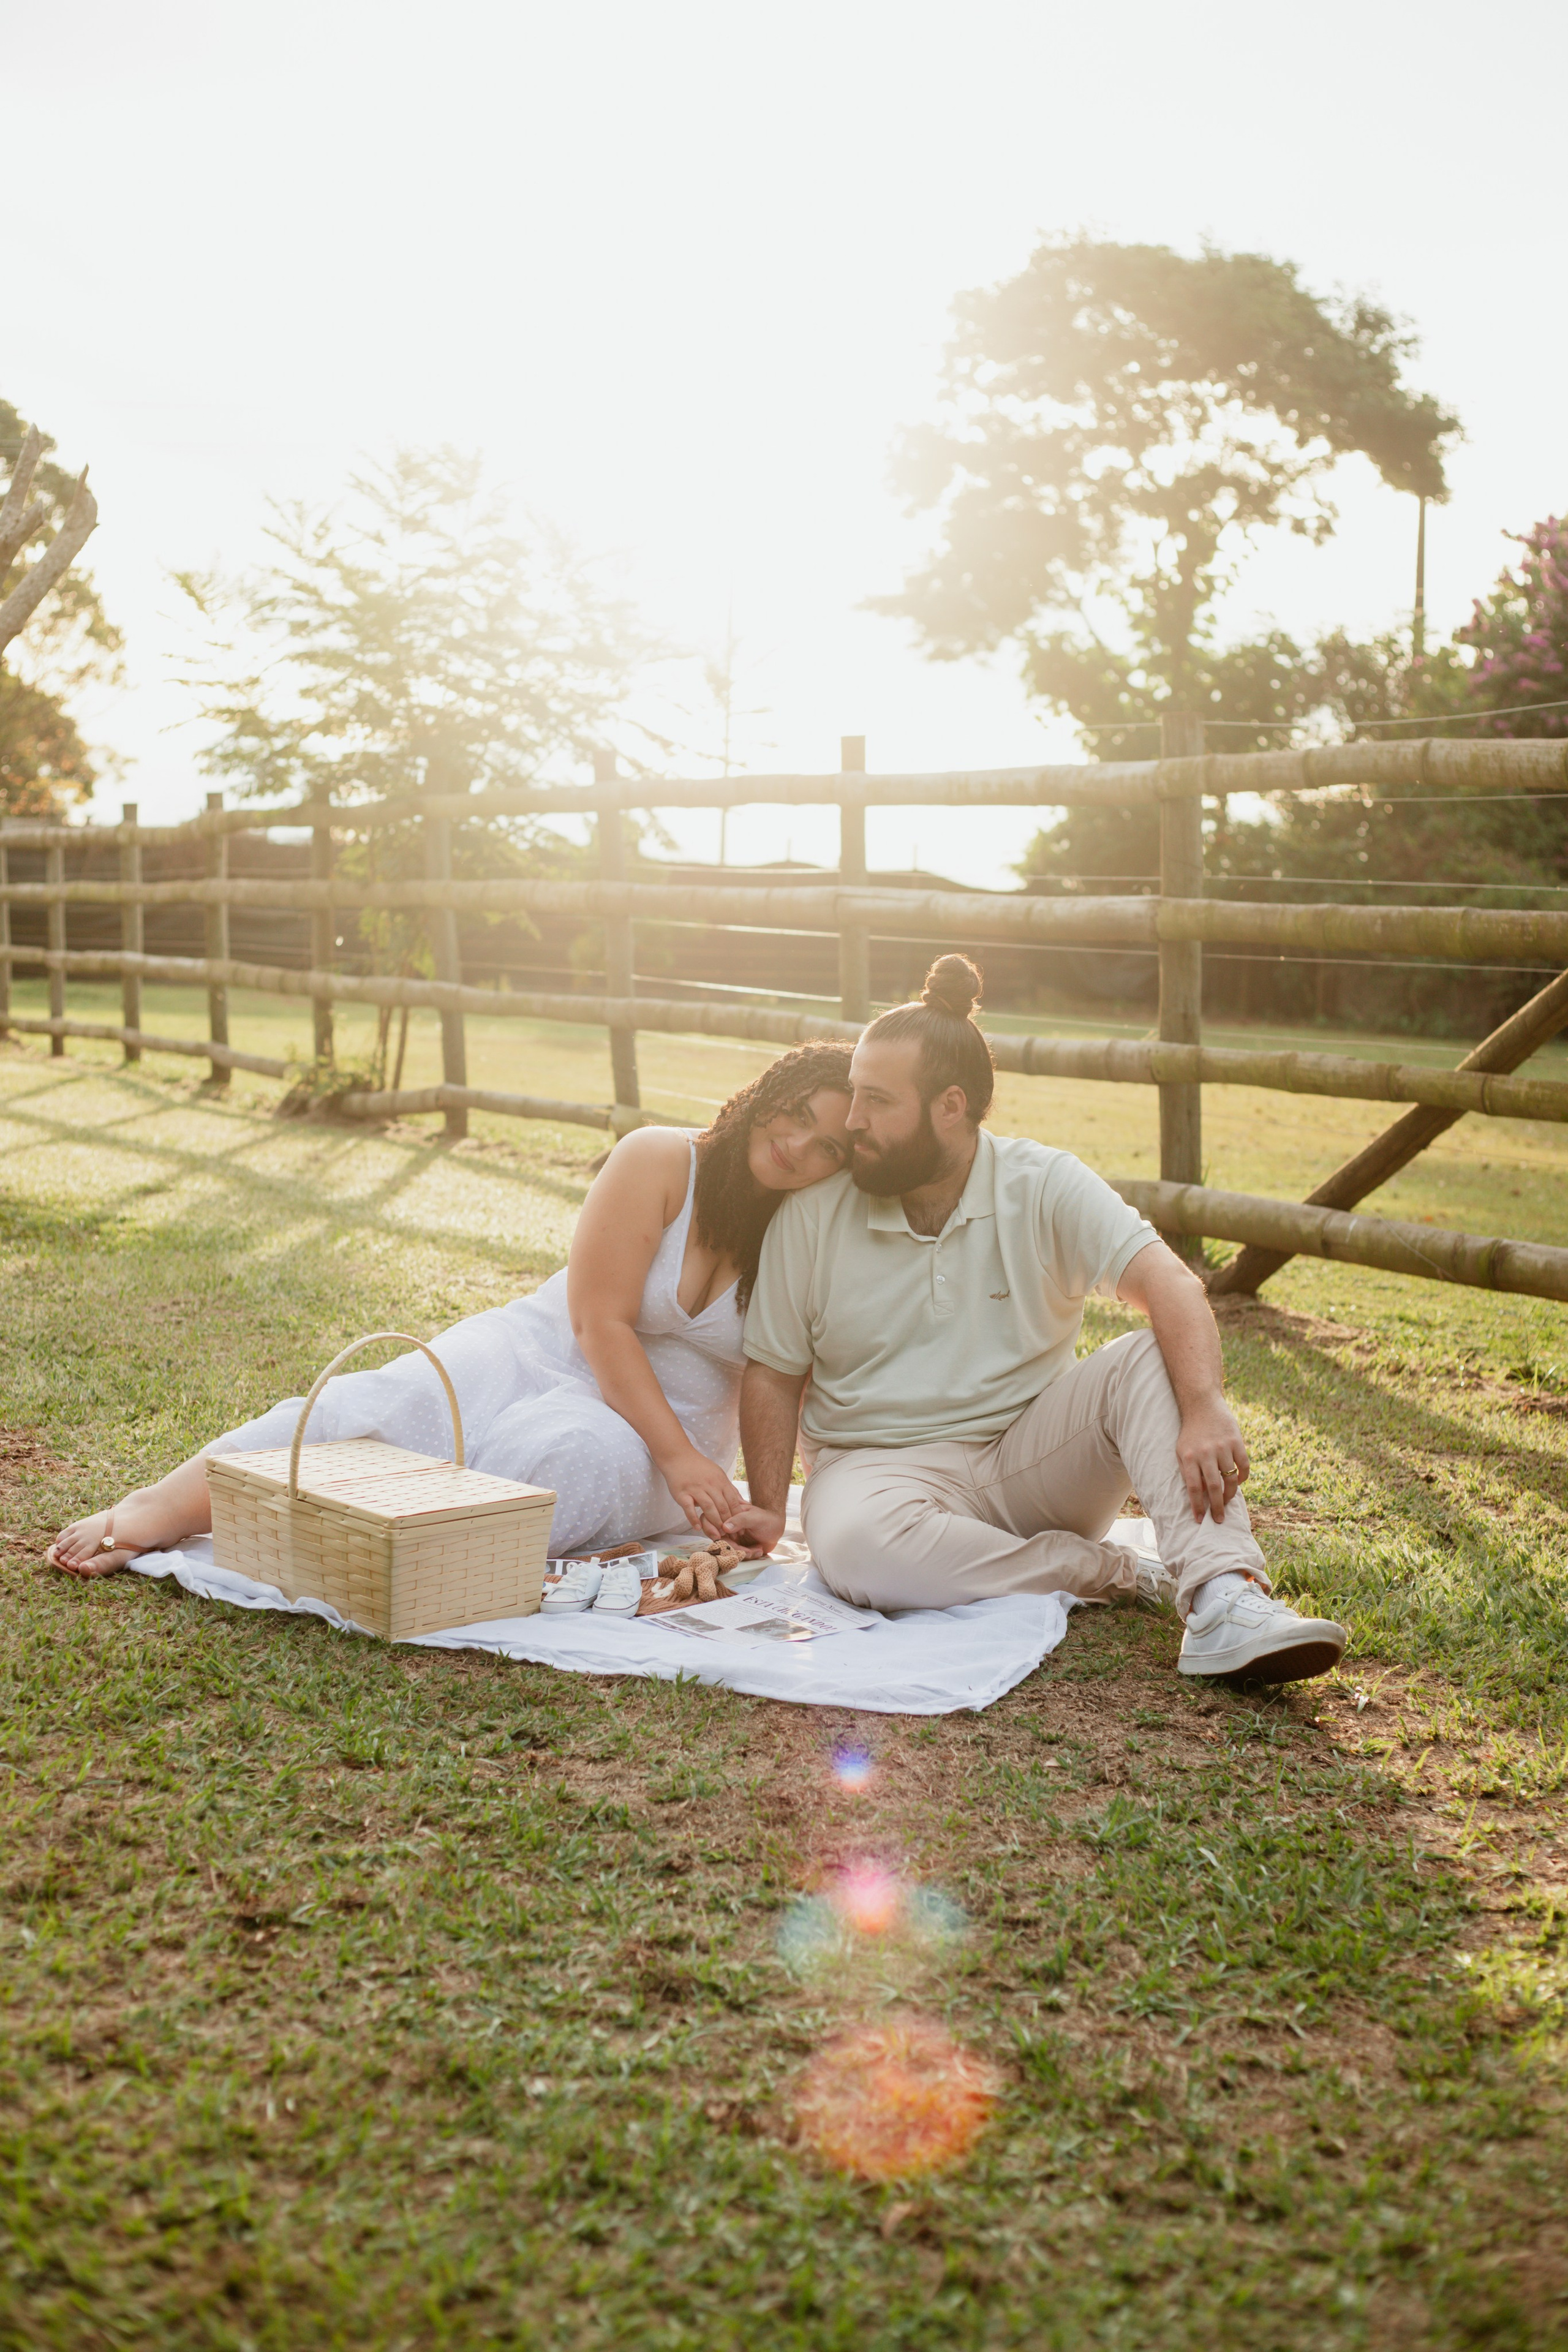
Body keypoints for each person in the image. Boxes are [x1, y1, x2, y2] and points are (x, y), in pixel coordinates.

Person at [725, 957, 1348, 1684]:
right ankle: (1103, 1569)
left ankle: (1225, 1598)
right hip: (876, 1473)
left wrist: (1204, 1406)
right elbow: (772, 1373)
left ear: (948, 1107)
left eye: (874, 1101)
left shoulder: (1042, 1182)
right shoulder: (812, 1215)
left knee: (1148, 1359)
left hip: (1033, 1461)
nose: (851, 1120)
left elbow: (1170, 1284)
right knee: (856, 1552)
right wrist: (768, 1507)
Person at [48, 1042, 855, 1577]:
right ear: (766, 1095)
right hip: (545, 1350)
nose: (798, 1147)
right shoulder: (659, 1158)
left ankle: (368, 1548)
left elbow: (778, 1378)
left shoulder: (803, 1234)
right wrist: (684, 1459)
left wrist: (768, 1501)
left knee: (566, 1456)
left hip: (657, 1427)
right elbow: (598, 1321)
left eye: (828, 1148)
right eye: (797, 1115)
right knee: (396, 1401)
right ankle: (160, 1508)